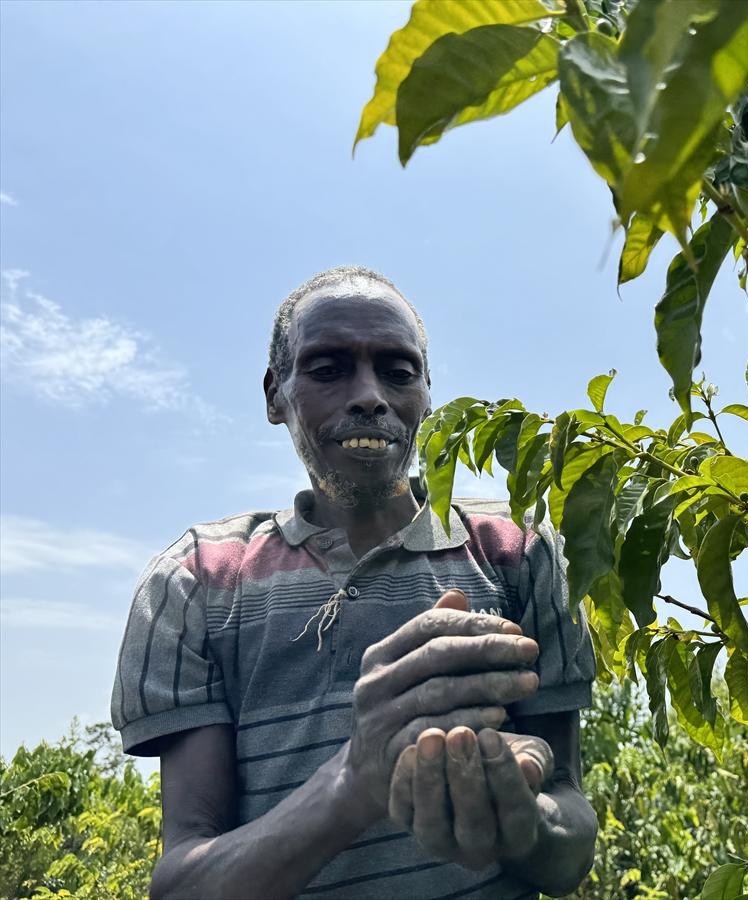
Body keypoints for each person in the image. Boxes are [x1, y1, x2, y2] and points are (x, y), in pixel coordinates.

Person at [110, 266, 598, 899]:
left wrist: (520, 820)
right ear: (273, 395)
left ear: (427, 392)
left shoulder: (519, 549)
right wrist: (358, 776)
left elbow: (570, 843)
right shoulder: (196, 580)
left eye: (397, 371)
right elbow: (182, 888)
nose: (369, 395)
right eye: (328, 368)